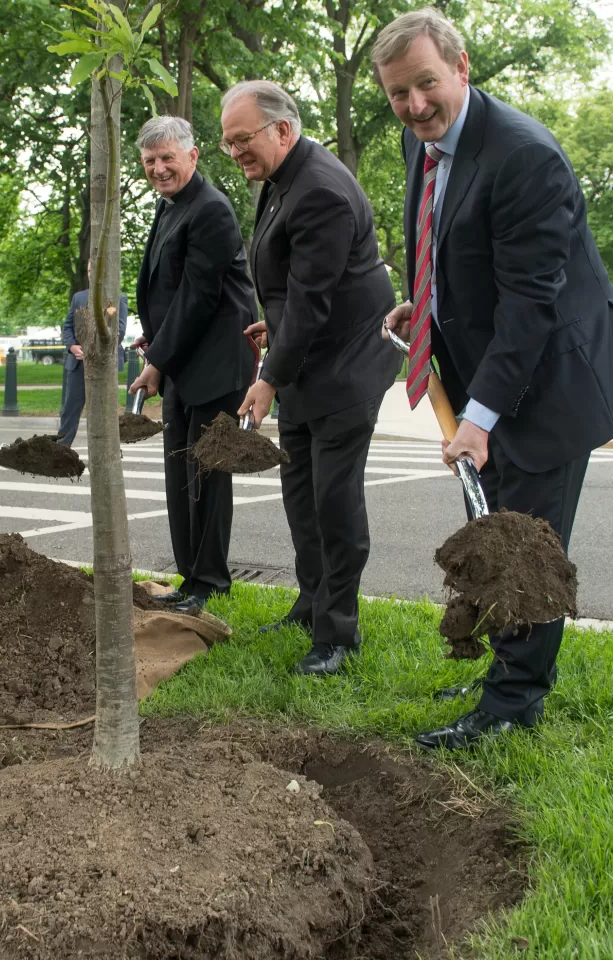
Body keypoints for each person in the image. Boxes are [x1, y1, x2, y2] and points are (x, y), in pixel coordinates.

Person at [373, 9, 613, 749]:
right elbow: (442, 240)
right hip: (486, 368)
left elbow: (530, 304)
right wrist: (419, 304)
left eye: (426, 85)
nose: (415, 105)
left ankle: (514, 704)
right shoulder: (419, 141)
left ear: (460, 66)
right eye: (398, 94)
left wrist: (479, 418)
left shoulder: (525, 156)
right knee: (494, 530)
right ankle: (503, 675)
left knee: (526, 544)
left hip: (551, 379)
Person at [223, 80, 402, 677]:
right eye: (227, 143)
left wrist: (268, 377)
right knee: (301, 495)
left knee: (334, 501)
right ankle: (311, 603)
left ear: (282, 128)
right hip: (307, 362)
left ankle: (338, 636)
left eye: (241, 139)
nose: (235, 152)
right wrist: (273, 328)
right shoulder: (281, 178)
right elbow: (294, 288)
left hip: (346, 370)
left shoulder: (319, 188)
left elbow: (312, 299)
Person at [126, 116, 256, 615]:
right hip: (184, 361)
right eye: (150, 161)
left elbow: (199, 298)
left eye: (167, 159)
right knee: (181, 477)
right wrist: (157, 343)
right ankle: (191, 578)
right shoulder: (171, 206)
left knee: (206, 477)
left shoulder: (211, 210)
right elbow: (170, 291)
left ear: (193, 155)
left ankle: (209, 582)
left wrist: (157, 360)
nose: (159, 169)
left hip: (216, 367)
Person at [56, 265, 128, 448]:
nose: (91, 274)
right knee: (69, 410)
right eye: (88, 271)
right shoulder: (78, 297)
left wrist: (93, 350)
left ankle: (106, 451)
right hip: (78, 364)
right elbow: (67, 326)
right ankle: (61, 450)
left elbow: (118, 332)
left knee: (103, 412)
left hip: (104, 364)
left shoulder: (118, 299)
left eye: (95, 270)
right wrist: (72, 346)